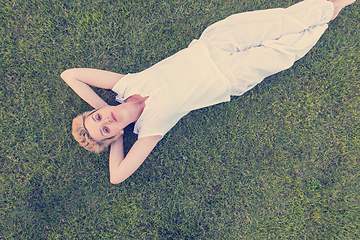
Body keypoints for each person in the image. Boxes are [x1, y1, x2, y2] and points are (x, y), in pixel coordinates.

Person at [61, 0, 356, 184]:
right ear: (114, 136)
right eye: (106, 128)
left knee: (281, 20)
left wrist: (101, 106)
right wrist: (117, 138)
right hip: (230, 77)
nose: (105, 119)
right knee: (292, 46)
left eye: (98, 117)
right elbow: (117, 176)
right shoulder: (150, 129)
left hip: (214, 44)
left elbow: (70, 75)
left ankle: (334, 4)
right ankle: (334, 8)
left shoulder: (125, 85)